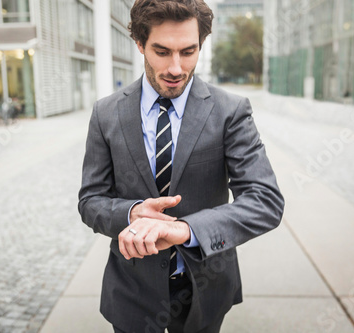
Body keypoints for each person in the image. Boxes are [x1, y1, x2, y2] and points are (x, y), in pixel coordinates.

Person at [78, 0, 285, 332]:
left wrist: (186, 230)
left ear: (201, 45)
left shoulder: (230, 111)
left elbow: (265, 201)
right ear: (139, 44)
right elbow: (90, 201)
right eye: (162, 52)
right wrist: (132, 213)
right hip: (131, 291)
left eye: (188, 52)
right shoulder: (106, 113)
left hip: (206, 289)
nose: (176, 68)